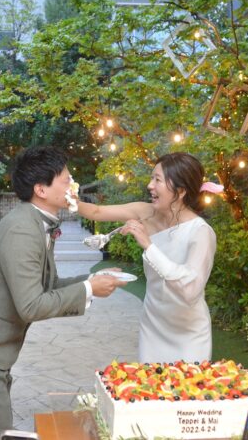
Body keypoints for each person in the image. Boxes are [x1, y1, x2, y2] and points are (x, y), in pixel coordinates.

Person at [0, 146, 125, 440]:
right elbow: (31, 305)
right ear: (41, 189)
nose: (73, 186)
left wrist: (92, 280)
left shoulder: (37, 222)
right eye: (66, 179)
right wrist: (89, 289)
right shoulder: (23, 229)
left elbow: (47, 286)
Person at [78, 152, 219, 363]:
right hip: (152, 325)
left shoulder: (201, 232)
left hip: (189, 334)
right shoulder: (144, 212)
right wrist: (65, 198)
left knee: (186, 384)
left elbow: (190, 290)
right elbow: (96, 212)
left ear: (181, 191)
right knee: (148, 382)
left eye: (157, 180)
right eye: (152, 178)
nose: (150, 185)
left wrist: (148, 245)